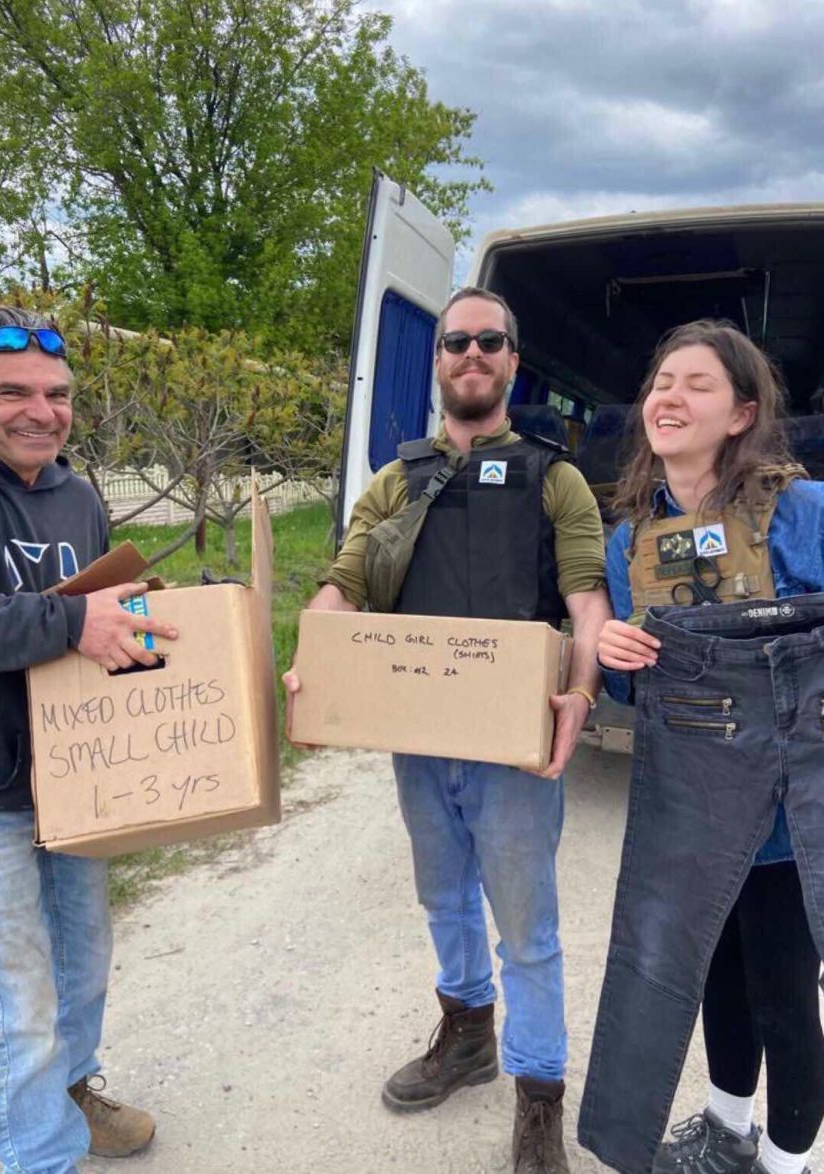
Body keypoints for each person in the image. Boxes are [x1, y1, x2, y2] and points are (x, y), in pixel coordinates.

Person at [285, 287, 610, 1173]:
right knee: (444, 897)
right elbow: (345, 586)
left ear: (513, 361)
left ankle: (538, 1092)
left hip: (513, 749)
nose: (473, 354)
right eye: (456, 341)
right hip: (420, 739)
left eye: (489, 342)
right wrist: (312, 673)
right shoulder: (397, 480)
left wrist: (581, 695)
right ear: (437, 361)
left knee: (527, 929)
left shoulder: (555, 479)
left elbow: (587, 602)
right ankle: (467, 1035)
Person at [0, 306, 178, 1173]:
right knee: (16, 1002)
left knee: (81, 965)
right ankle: (42, 1158)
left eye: (58, 393)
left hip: (78, 775)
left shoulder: (74, 493)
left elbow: (104, 610)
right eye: (13, 393)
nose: (42, 411)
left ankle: (71, 1093)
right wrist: (73, 624)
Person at [591, 319, 824, 1174]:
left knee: (784, 995)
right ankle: (728, 1130)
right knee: (714, 974)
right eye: (662, 383)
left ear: (742, 413)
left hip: (790, 816)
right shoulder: (631, 541)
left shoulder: (806, 513)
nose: (670, 398)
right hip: (692, 801)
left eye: (697, 384)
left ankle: (786, 1163)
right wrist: (616, 658)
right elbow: (637, 693)